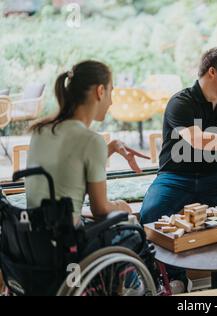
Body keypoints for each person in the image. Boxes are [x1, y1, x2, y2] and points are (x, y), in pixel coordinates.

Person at [140, 47, 217, 288]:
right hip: (174, 176)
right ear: (212, 72)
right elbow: (197, 140)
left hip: (216, 177)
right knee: (149, 214)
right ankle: (176, 278)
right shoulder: (181, 102)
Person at [26, 60, 150, 227]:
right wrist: (123, 206)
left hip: (32, 236)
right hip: (64, 241)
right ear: (100, 91)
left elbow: (68, 163)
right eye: (110, 92)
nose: (111, 102)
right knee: (132, 225)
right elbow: (101, 210)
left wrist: (112, 147)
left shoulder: (40, 129)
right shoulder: (90, 140)